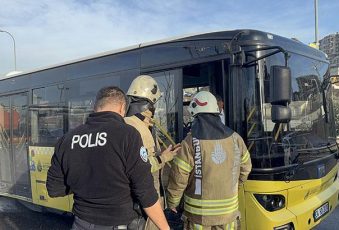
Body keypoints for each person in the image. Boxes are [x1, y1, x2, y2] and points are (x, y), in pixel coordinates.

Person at [46, 86, 170, 230]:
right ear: (123, 107)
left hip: (80, 224)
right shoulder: (128, 135)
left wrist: (87, 182)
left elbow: (54, 189)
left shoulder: (66, 140)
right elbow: (145, 192)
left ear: (95, 106)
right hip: (119, 224)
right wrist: (165, 228)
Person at [167, 91, 252, 230]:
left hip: (198, 218)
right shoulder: (236, 139)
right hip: (228, 216)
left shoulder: (190, 142)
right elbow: (246, 168)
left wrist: (172, 203)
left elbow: (178, 178)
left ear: (195, 115)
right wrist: (232, 187)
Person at [124, 75, 180, 229]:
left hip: (149, 204)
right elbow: (138, 170)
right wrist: (163, 158)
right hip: (141, 208)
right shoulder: (133, 128)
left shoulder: (143, 125)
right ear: (149, 103)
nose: (155, 109)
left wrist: (164, 154)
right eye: (154, 103)